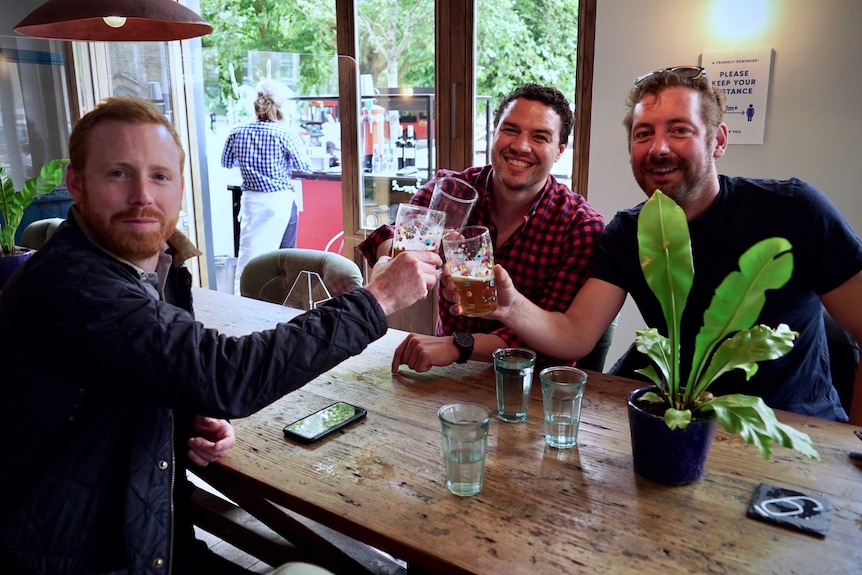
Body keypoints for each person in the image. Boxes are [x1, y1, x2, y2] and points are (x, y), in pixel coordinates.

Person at [0, 97, 441, 575]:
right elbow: (228, 375)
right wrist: (376, 300)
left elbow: (139, 369)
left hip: (145, 533)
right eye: (118, 174)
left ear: (182, 186)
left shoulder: (156, 267)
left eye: (160, 176)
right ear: (76, 184)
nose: (143, 195)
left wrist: (183, 413)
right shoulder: (74, 283)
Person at [455, 66, 862, 424]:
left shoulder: (795, 210)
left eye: (680, 130)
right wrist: (508, 306)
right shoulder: (627, 234)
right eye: (643, 134)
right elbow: (576, 334)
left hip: (792, 429)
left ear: (718, 140)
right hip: (681, 422)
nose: (658, 148)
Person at [357, 83, 604, 373]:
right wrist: (400, 257)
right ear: (494, 132)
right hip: (446, 373)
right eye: (510, 130)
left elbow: (557, 340)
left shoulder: (579, 225)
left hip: (532, 385)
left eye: (540, 136)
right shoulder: (453, 190)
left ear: (560, 150)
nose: (521, 146)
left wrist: (458, 344)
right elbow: (388, 236)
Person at [222, 78, 311, 294]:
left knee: (249, 254)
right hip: (279, 200)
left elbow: (226, 162)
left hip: (252, 200)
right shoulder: (285, 133)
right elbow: (305, 167)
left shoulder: (237, 131)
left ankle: (242, 300)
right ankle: (283, 300)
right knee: (285, 257)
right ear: (280, 108)